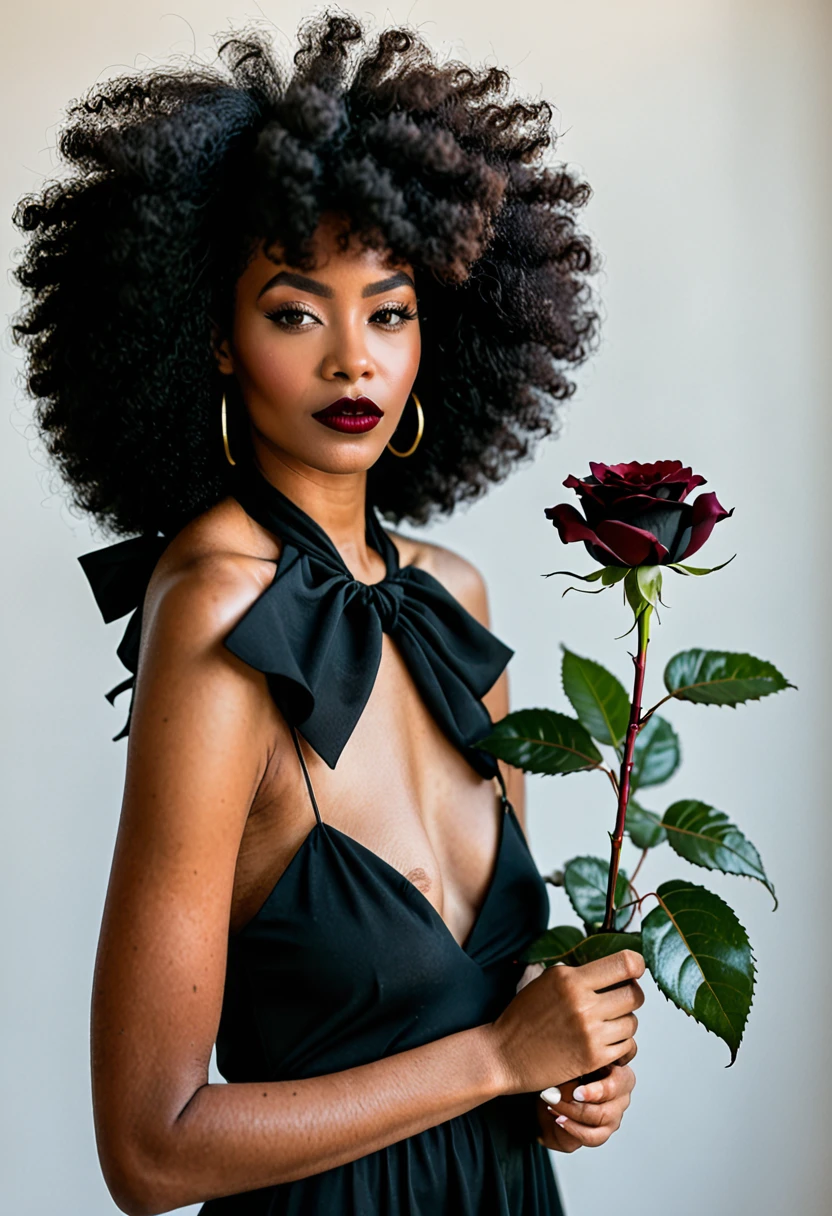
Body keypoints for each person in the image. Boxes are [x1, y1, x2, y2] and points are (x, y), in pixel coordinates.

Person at [12, 13, 644, 1215]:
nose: (352, 357)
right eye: (298, 311)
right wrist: (497, 1059)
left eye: (389, 311)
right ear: (213, 338)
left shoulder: (454, 601)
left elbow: (499, 1018)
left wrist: (563, 1080)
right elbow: (149, 1150)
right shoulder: (213, 623)